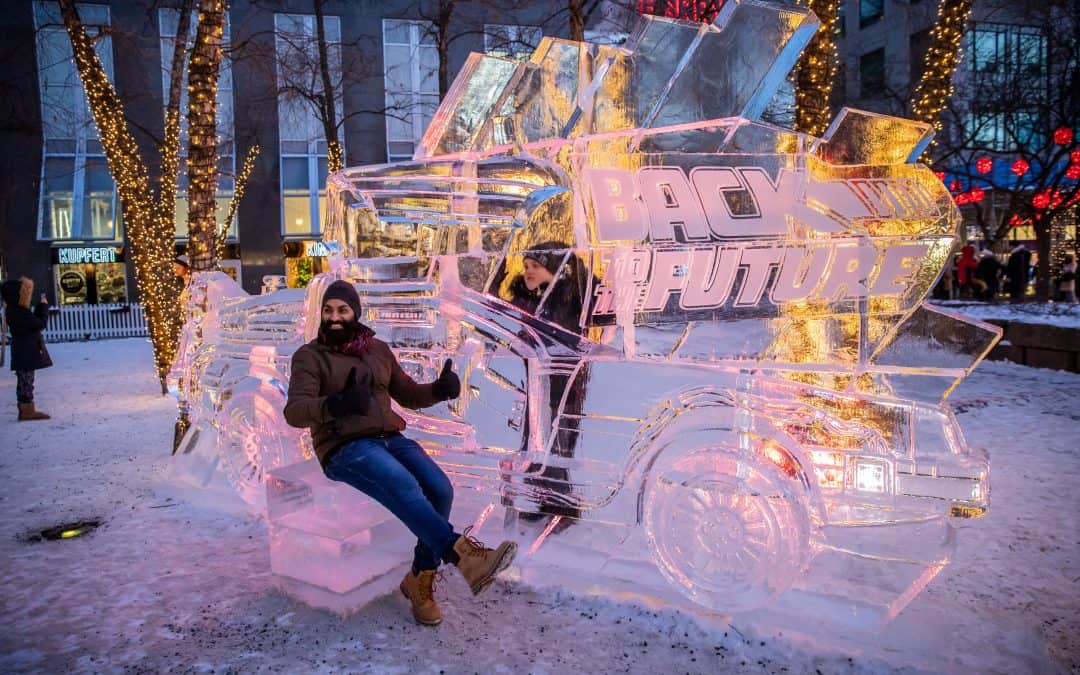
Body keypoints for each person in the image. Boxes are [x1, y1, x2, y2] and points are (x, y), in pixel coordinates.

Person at [283, 280, 517, 626]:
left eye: (342, 310)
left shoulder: (377, 349)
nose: (334, 317)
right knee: (403, 484)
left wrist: (438, 390)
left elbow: (406, 394)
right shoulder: (310, 356)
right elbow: (295, 412)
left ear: (355, 313)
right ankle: (464, 556)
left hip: (390, 437)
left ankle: (420, 578)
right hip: (345, 446)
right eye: (328, 310)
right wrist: (335, 404)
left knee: (440, 489)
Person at [502, 243, 591, 529]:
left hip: (563, 382)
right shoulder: (533, 297)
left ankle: (562, 504)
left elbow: (564, 337)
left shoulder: (569, 299)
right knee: (535, 439)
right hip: (537, 381)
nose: (528, 272)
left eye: (535, 267)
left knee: (556, 440)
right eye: (526, 266)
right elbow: (501, 306)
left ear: (555, 271)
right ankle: (544, 498)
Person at [1, 277, 53, 420]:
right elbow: (39, 324)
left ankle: (25, 409)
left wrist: (38, 308)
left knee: (25, 380)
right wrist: (43, 307)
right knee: (26, 380)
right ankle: (27, 410)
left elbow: (32, 322)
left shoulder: (16, 310)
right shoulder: (18, 312)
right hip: (25, 351)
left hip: (23, 350)